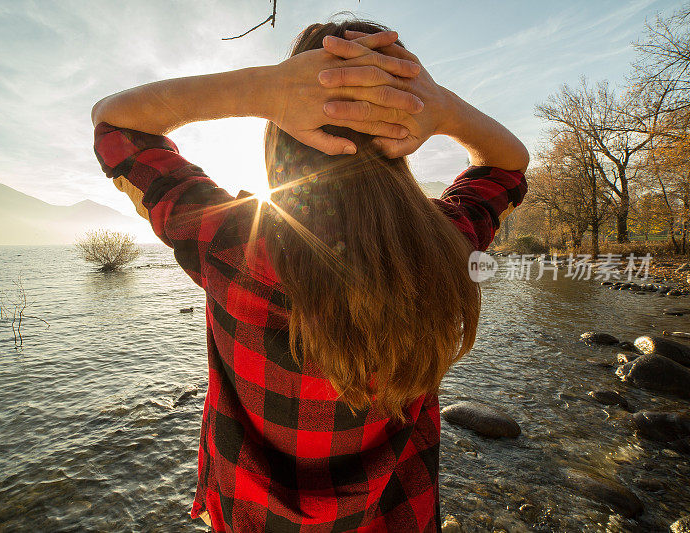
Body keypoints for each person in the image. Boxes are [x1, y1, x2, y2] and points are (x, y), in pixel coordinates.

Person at [92, 18, 528, 533]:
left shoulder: (229, 240)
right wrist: (446, 108)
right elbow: (507, 164)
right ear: (408, 122)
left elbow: (115, 126)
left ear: (282, 126)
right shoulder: (445, 243)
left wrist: (264, 88)